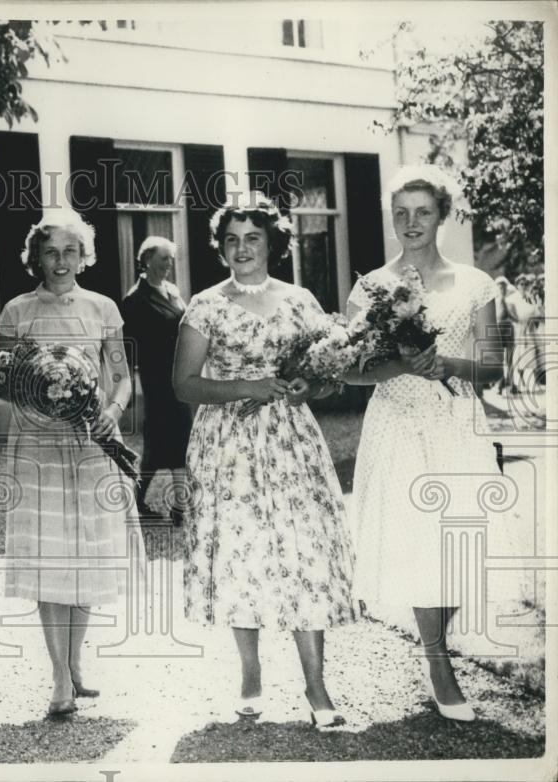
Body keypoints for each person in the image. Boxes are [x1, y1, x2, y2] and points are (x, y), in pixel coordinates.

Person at [172, 193, 355, 729]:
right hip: (226, 445)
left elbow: (330, 372)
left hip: (290, 440)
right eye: (231, 239)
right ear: (220, 247)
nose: (241, 248)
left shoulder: (300, 300)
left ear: (272, 242)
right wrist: (245, 385)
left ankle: (317, 688)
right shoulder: (204, 305)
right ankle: (250, 675)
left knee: (303, 553)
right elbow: (183, 384)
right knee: (240, 553)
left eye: (252, 237)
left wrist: (308, 385)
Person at [344, 165, 507, 722]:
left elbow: (494, 367)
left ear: (442, 216)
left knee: (462, 548)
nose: (411, 224)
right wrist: (396, 362)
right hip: (398, 423)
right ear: (391, 219)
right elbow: (352, 373)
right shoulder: (369, 290)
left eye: (423, 212)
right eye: (401, 214)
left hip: (456, 422)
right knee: (417, 543)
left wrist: (444, 362)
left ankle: (439, 643)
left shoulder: (473, 284)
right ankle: (439, 665)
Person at [0, 209, 142, 718]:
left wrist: (111, 410)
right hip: (38, 445)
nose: (61, 262)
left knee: (86, 555)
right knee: (49, 556)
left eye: (70, 251)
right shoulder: (16, 310)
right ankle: (58, 676)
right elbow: (1, 382)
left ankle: (76, 665)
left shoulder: (103, 308)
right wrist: (40, 397)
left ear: (85, 256)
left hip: (93, 440)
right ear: (36, 257)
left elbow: (123, 378)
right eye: (51, 252)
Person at [120, 237, 193, 524]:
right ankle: (177, 506)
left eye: (171, 260)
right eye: (164, 259)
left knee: (165, 440)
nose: (168, 265)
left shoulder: (173, 292)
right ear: (147, 260)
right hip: (156, 377)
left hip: (179, 373)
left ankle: (145, 502)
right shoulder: (134, 300)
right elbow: (127, 346)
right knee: (168, 437)